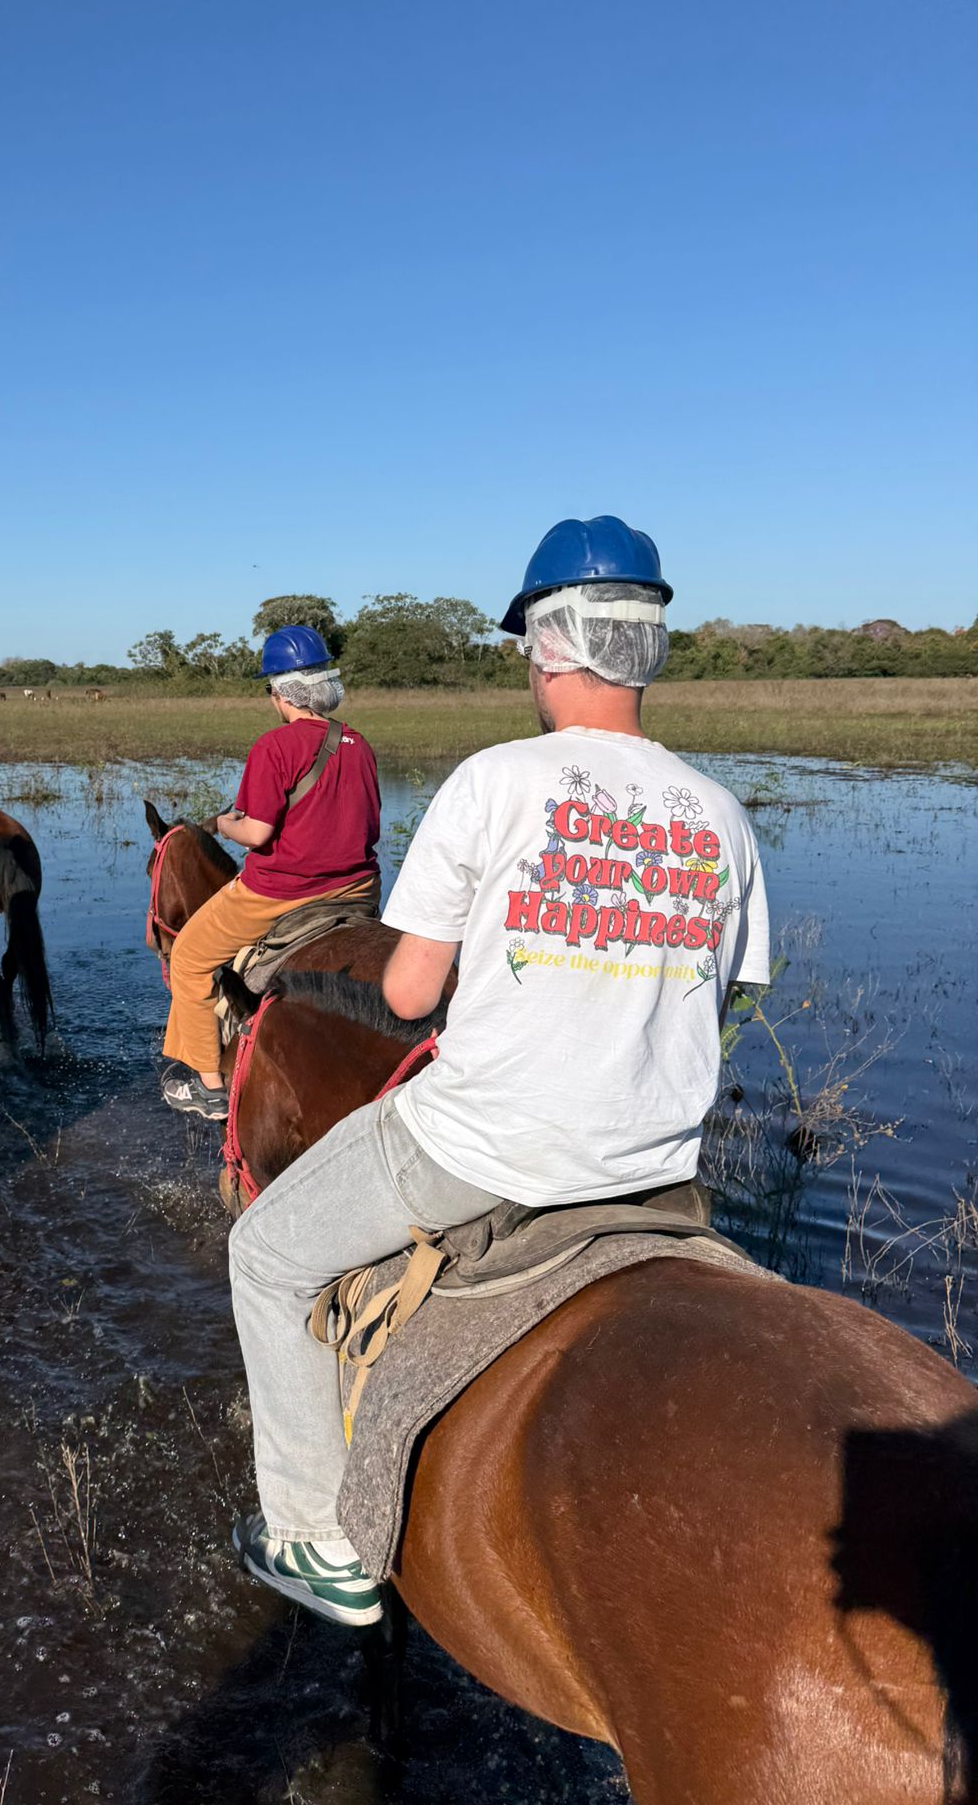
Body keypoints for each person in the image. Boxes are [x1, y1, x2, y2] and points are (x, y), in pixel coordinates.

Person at [225, 518, 772, 1627]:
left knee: (266, 1253)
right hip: (657, 1163)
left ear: (549, 647)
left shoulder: (496, 780)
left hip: (483, 1147)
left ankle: (312, 1536)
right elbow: (729, 999)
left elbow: (409, 995)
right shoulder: (720, 812)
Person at [160, 624, 382, 1123]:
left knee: (189, 958)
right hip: (358, 888)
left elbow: (257, 834)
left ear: (281, 693)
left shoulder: (275, 746)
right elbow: (367, 823)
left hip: (280, 893)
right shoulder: (358, 743)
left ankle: (209, 1087)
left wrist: (223, 824)